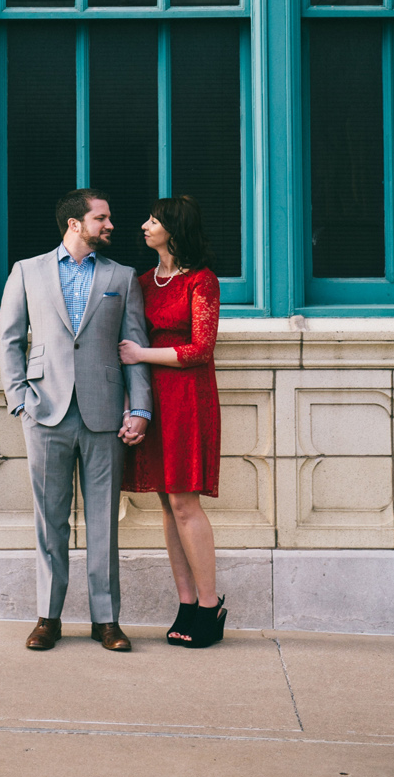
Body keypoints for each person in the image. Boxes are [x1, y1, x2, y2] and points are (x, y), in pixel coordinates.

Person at [0, 188, 153, 653]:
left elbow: (134, 347)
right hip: (45, 411)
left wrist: (140, 407)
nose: (110, 226)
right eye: (101, 218)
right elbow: (8, 340)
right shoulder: (27, 271)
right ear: (74, 224)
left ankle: (106, 620)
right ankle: (49, 617)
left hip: (105, 412)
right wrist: (19, 398)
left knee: (104, 521)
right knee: (50, 520)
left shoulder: (121, 277)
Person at [118, 195, 226, 649]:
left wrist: (142, 354)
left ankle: (209, 606)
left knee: (185, 503)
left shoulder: (202, 281)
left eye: (154, 220)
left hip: (187, 399)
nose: (144, 226)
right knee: (166, 504)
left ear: (174, 230)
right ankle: (185, 603)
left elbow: (201, 348)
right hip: (152, 400)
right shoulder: (142, 281)